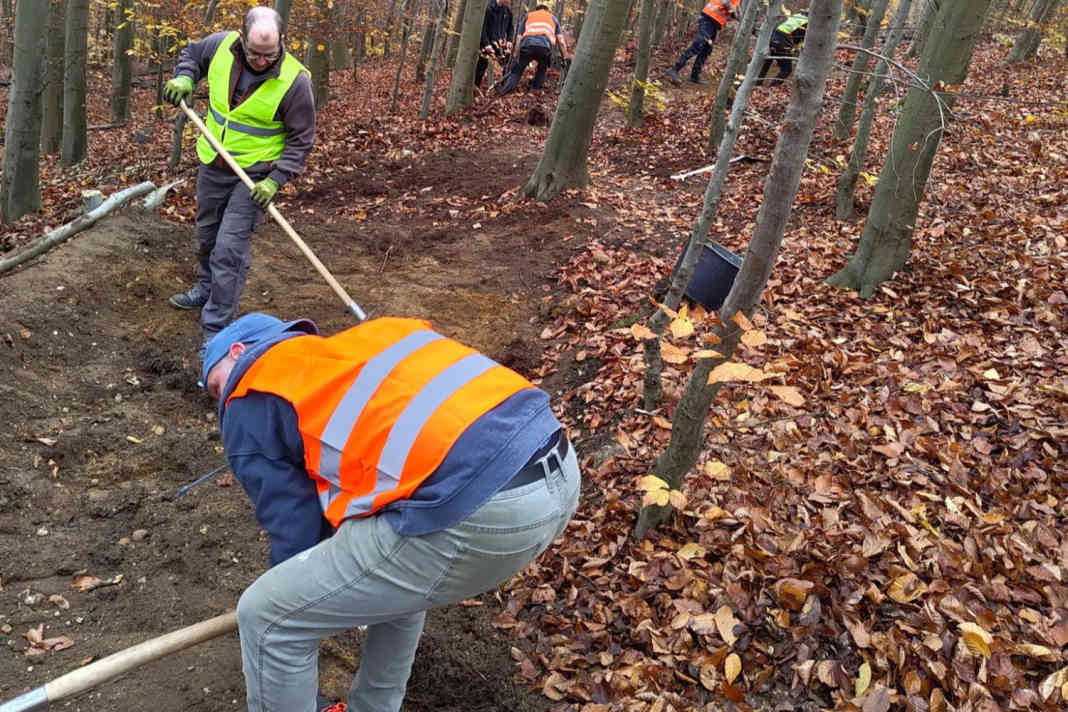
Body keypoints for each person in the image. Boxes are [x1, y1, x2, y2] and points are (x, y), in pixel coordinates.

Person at [200, 312, 582, 712]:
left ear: (239, 351)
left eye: (214, 386)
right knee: (395, 568)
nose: (220, 400)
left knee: (267, 617)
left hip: (482, 510)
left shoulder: (249, 392)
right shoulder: (366, 345)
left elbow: (294, 528)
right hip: (557, 467)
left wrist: (296, 600)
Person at [162, 7, 316, 351]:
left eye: (269, 55)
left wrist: (276, 180)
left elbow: (302, 138)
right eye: (254, 53)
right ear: (242, 38)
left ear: (282, 42)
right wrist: (185, 77)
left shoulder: (295, 81)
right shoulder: (220, 46)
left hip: (255, 176)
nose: (261, 61)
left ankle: (216, 329)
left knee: (229, 249)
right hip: (214, 163)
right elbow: (192, 55)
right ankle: (205, 289)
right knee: (207, 235)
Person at [497, 4, 568, 96]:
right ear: (547, 10)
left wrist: (515, 55)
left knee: (517, 71)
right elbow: (561, 42)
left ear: (536, 10)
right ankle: (535, 91)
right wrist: (565, 58)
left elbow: (518, 38)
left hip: (527, 45)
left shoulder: (528, 16)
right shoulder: (553, 18)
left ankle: (505, 92)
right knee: (542, 69)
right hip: (544, 47)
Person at [667, 0, 740, 86]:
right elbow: (726, 3)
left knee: (706, 49)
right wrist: (734, 13)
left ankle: (695, 75)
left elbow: (736, 9)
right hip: (709, 18)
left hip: (715, 23)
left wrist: (739, 17)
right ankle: (675, 69)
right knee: (698, 44)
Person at [758, 11, 808, 85]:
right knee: (787, 69)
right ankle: (772, 87)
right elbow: (800, 40)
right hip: (783, 40)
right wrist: (798, 50)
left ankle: (756, 84)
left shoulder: (799, 15)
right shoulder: (808, 24)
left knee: (767, 63)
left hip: (773, 36)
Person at [475, 0, 513, 90]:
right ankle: (475, 87)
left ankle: (504, 87)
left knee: (507, 64)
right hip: (487, 44)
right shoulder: (488, 8)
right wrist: (486, 43)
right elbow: (482, 27)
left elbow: (510, 28)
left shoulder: (507, 12)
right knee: (481, 66)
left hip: (500, 44)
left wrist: (509, 40)